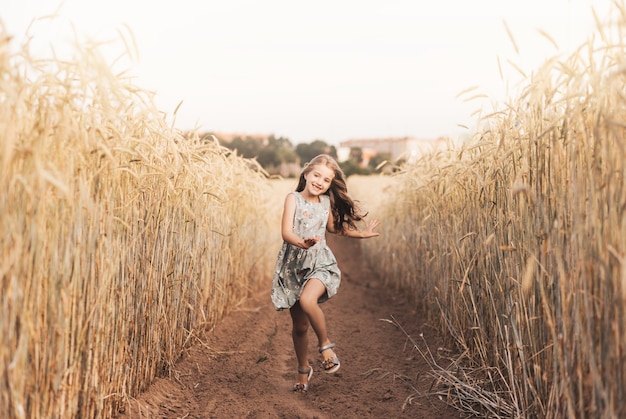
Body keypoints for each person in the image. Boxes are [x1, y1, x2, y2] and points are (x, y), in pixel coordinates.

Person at [270, 154, 380, 394]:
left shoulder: (325, 203)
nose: (320, 182)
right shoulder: (293, 199)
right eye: (317, 175)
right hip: (294, 266)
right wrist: (302, 243)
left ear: (331, 184)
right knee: (299, 326)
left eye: (326, 180)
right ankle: (303, 369)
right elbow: (286, 233)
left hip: (319, 262)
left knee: (308, 300)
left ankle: (326, 346)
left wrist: (360, 234)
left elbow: (333, 228)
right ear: (306, 174)